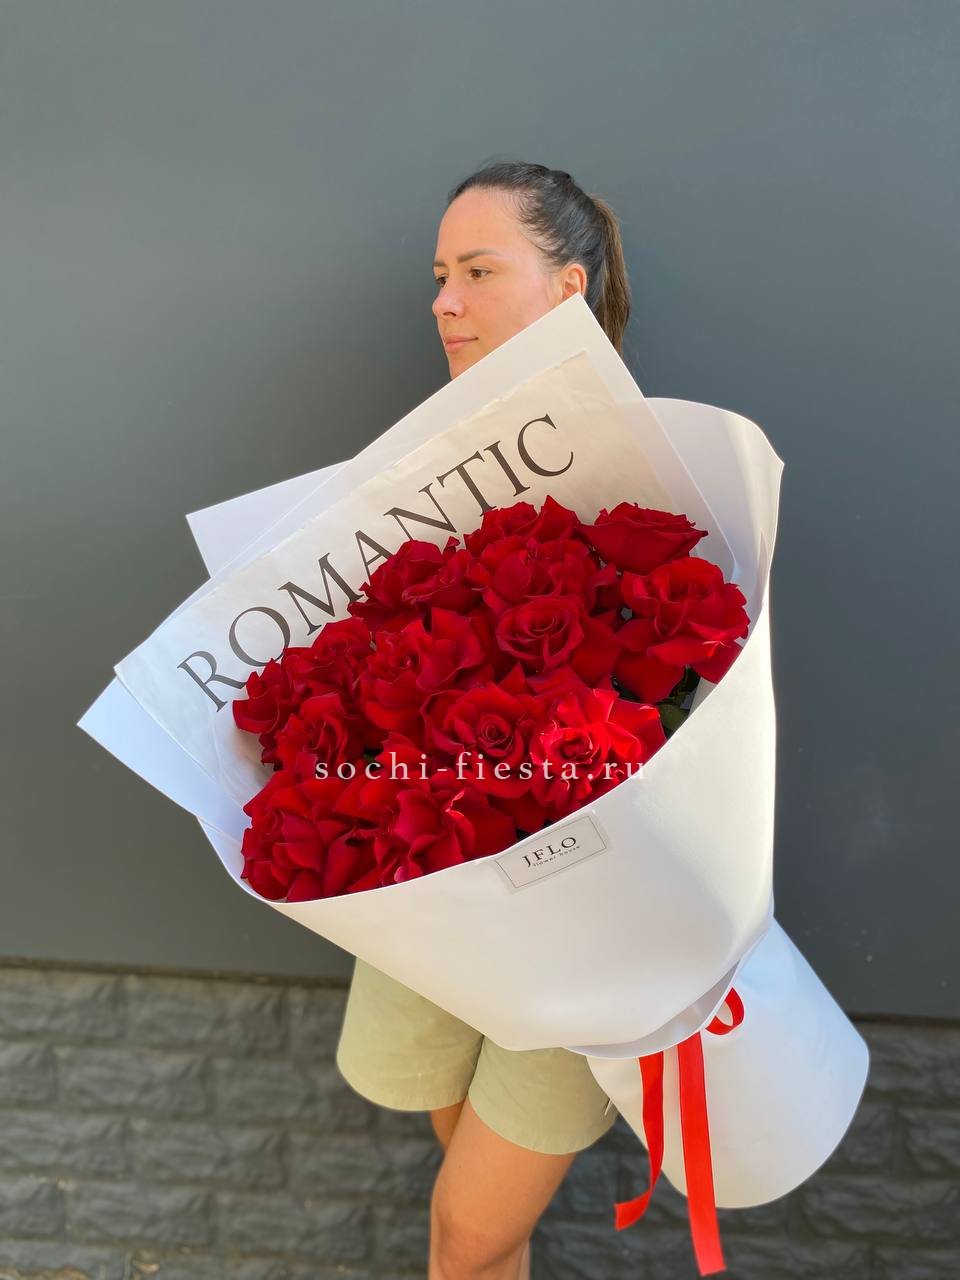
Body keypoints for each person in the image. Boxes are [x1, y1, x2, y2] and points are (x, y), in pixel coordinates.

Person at [335, 160, 633, 1280]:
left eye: (476, 271)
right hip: (439, 882)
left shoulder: (647, 462)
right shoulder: (423, 470)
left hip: (579, 910)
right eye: (438, 275)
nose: (442, 301)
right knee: (476, 1211)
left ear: (567, 287)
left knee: (466, 1230)